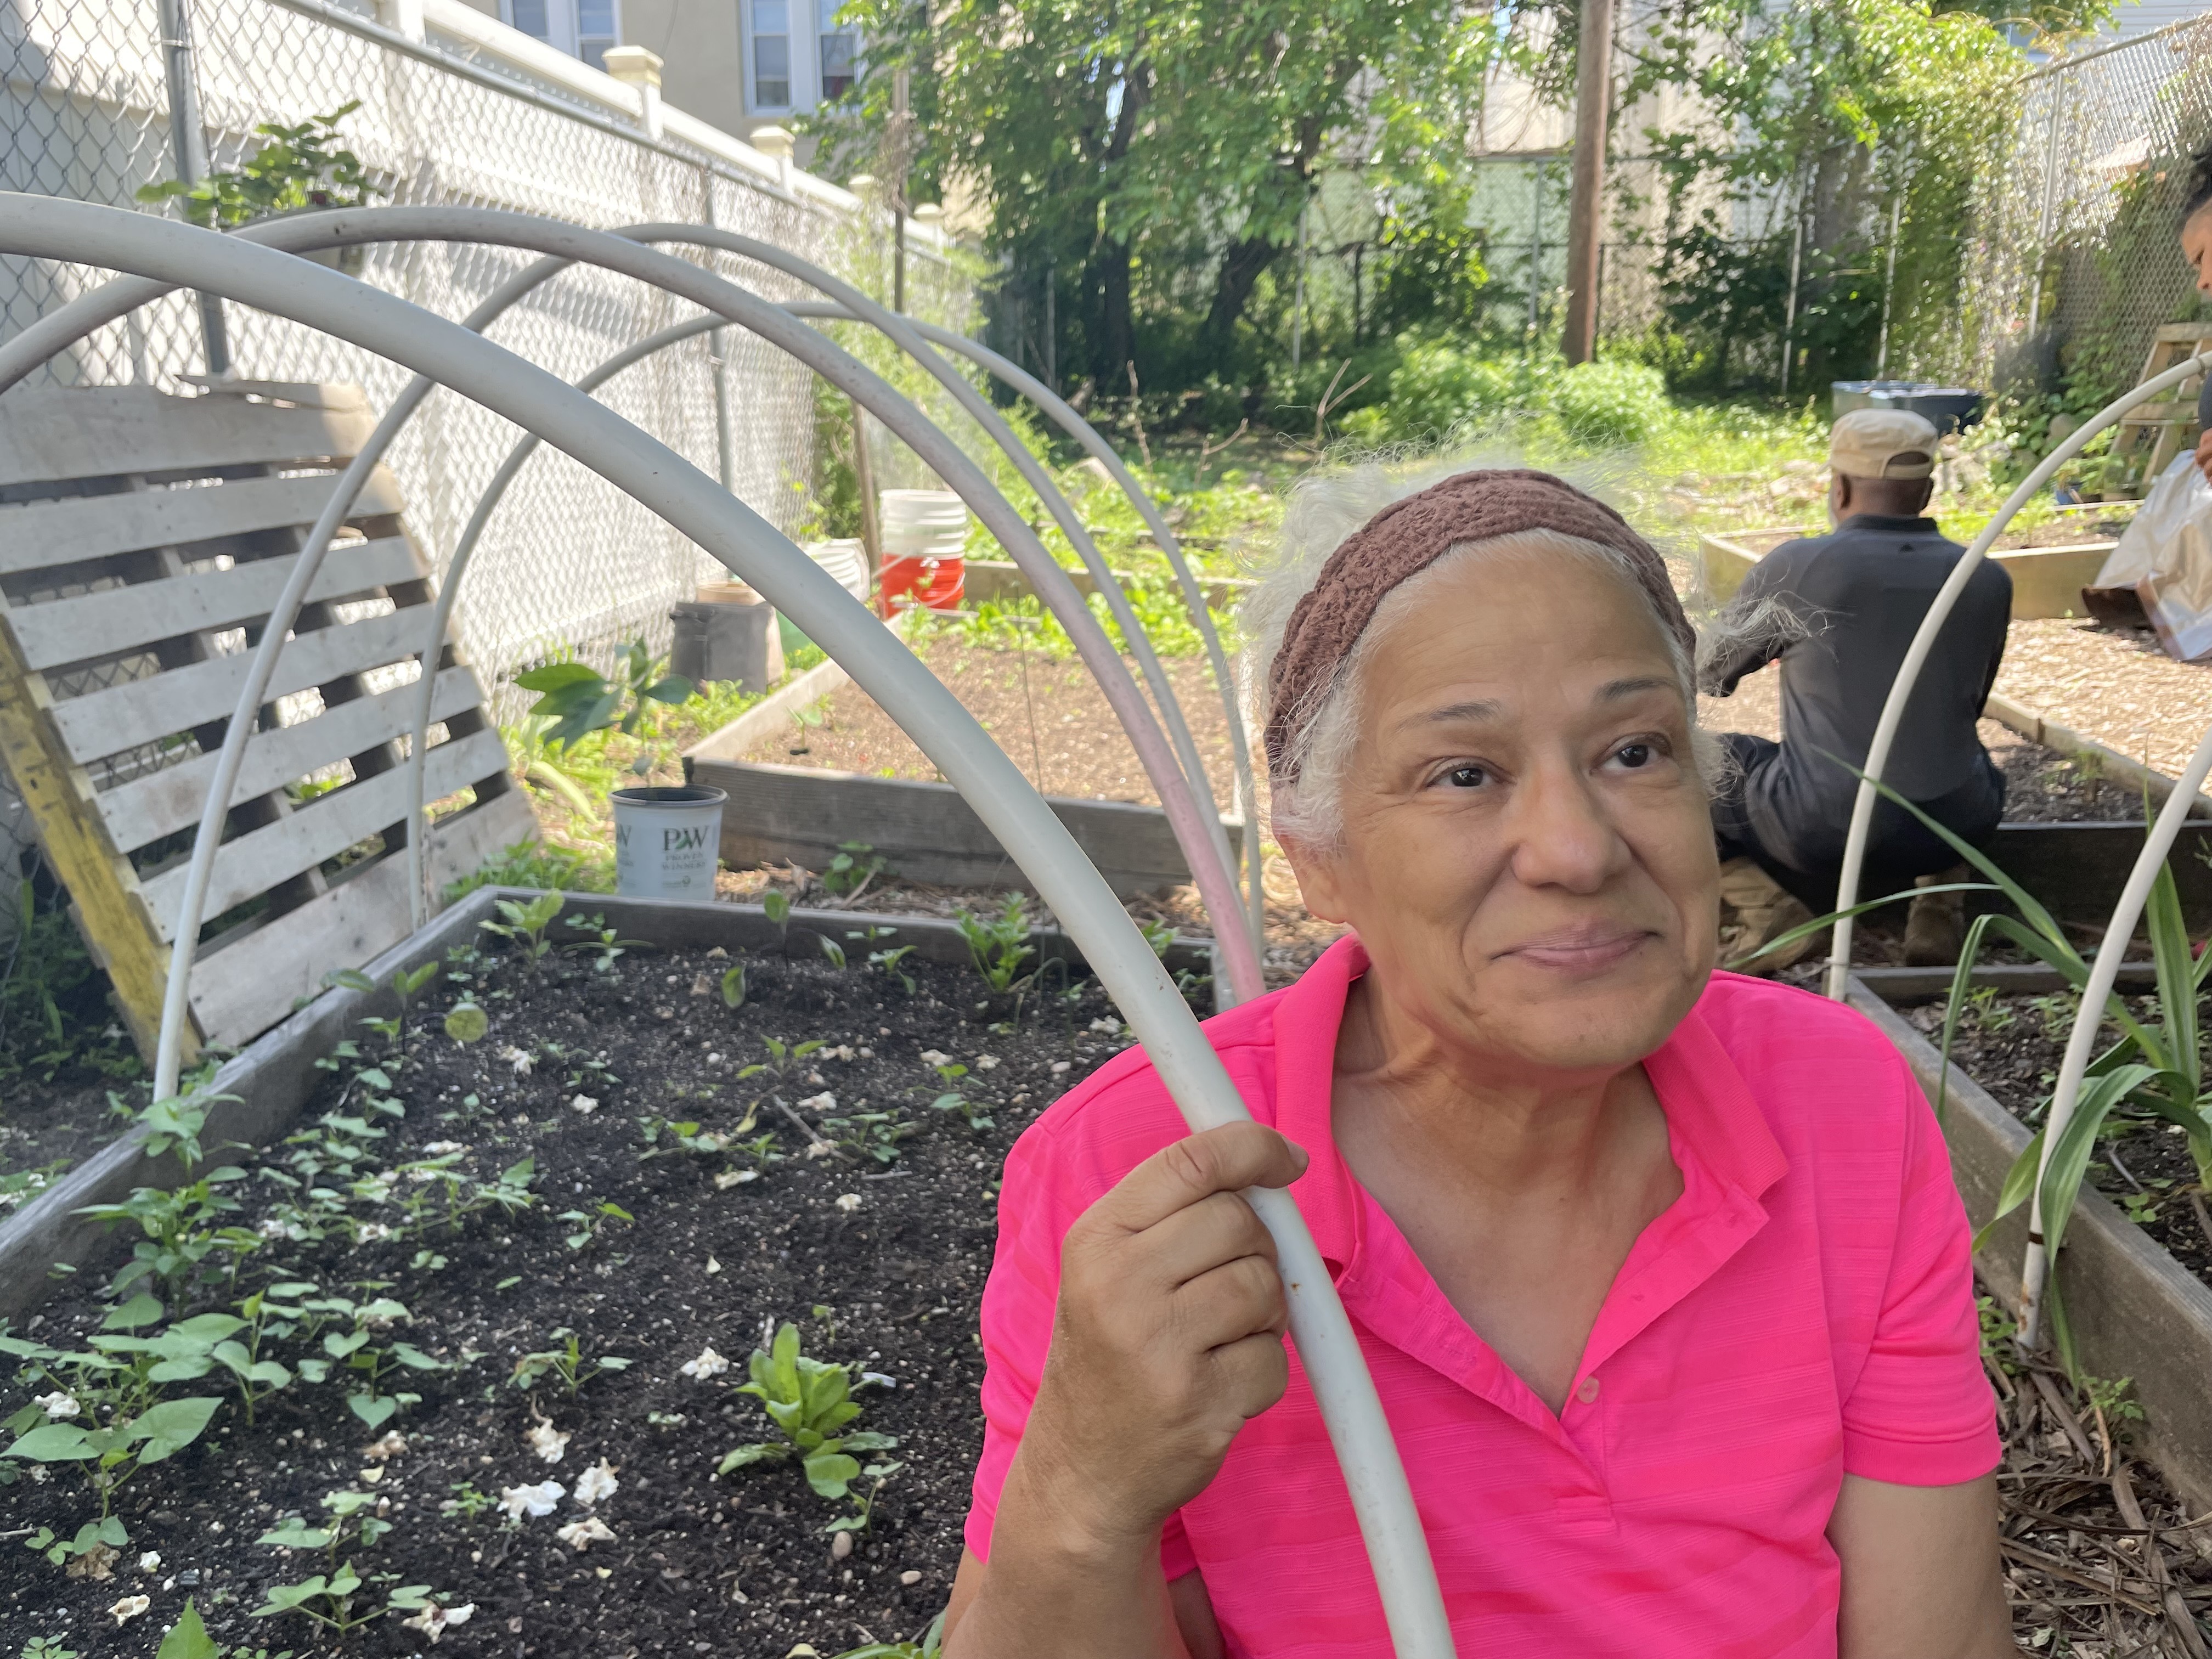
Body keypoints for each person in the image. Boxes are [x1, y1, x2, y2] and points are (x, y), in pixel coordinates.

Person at [940, 466, 2017, 1659]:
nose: (1576, 847)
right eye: (1466, 773)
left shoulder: (1842, 1107)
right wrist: (1084, 1493)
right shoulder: (1142, 1180)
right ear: (1319, 856)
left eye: (1635, 751)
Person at [1702, 408, 2011, 969]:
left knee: (1700, 765)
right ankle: (1936, 912)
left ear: (1839, 488)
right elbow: (1967, 704)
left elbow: (1710, 674)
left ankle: (1771, 913)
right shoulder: (1986, 577)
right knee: (1962, 754)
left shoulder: (1800, 565)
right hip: (1958, 824)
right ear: (1929, 490)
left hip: (1823, 828)